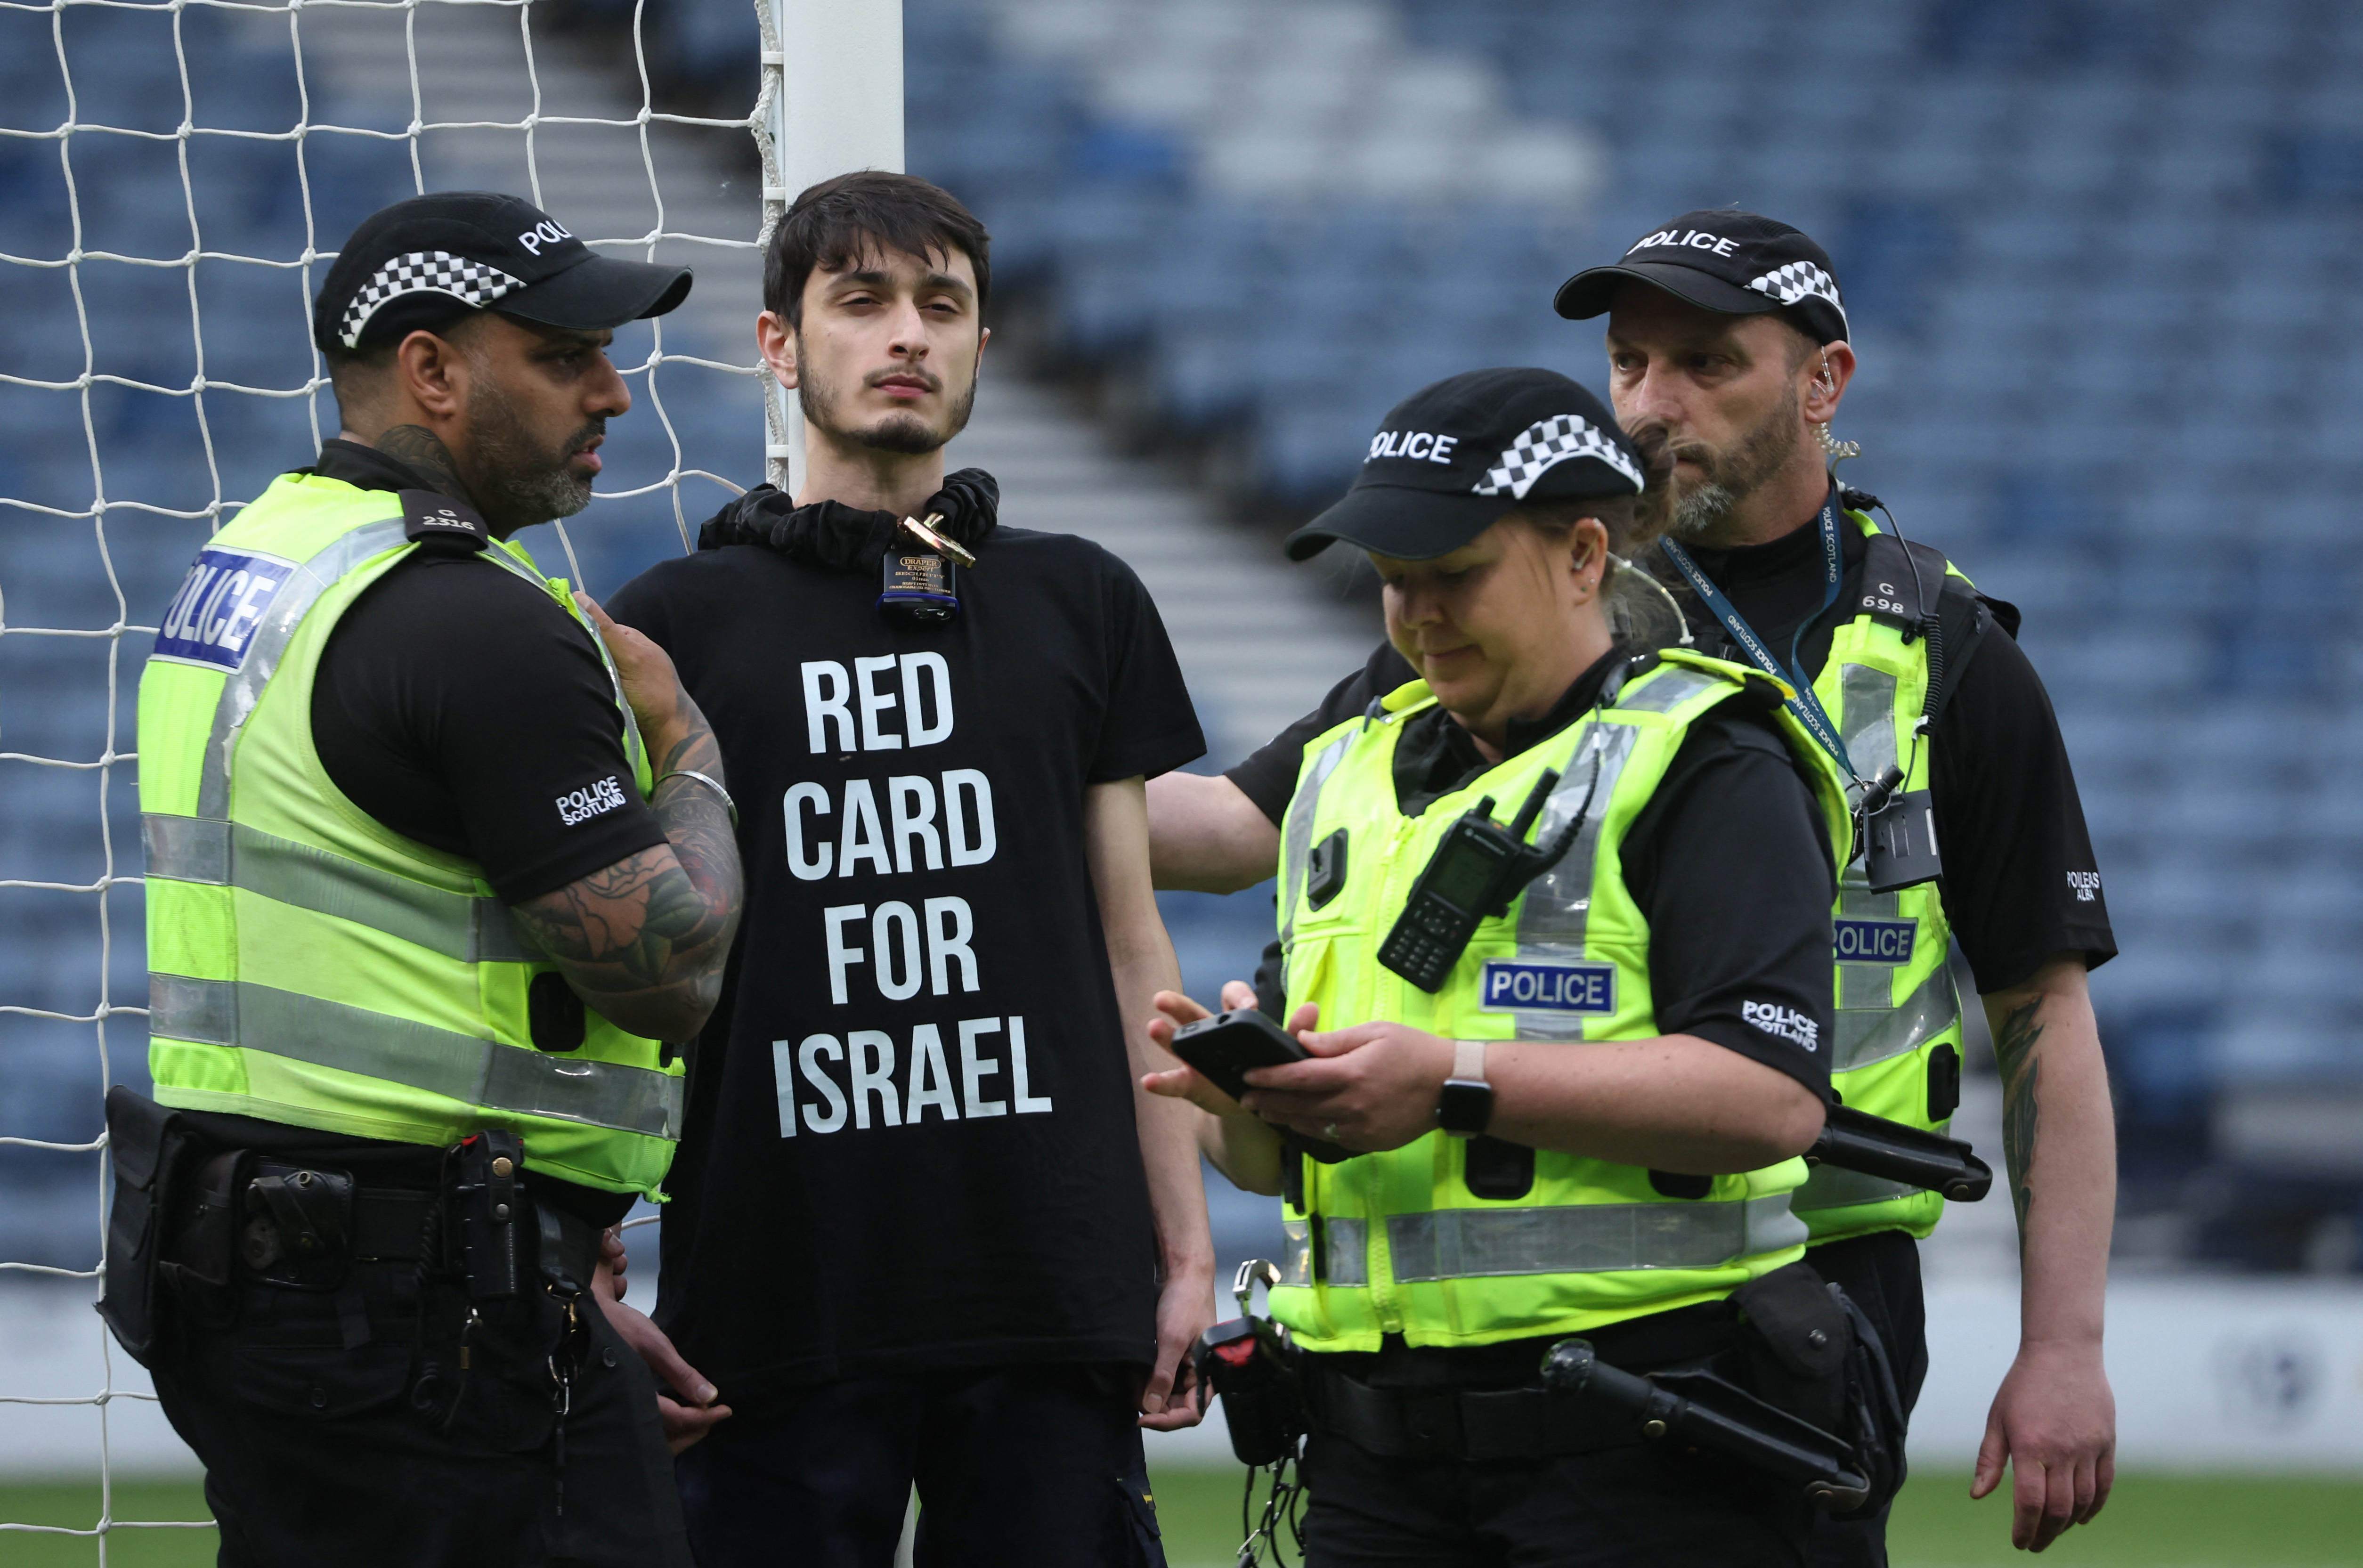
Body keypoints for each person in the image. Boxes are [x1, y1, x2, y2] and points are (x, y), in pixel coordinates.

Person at [1149, 211, 2119, 1560]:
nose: (1651, 406)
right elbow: (1230, 826)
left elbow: (2042, 1012)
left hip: (1814, 1269)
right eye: (1627, 364)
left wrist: (2062, 1342)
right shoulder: (1506, 606)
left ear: (1822, 383)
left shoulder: (1942, 649)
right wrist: (1020, 785)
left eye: (1704, 364)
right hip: (1536, 1275)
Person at [116, 190, 744, 1566]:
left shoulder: (250, 568)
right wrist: (682, 735)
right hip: (428, 1338)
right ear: (433, 370)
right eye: (566, 354)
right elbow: (674, 967)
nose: (612, 395)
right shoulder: (475, 619)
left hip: (275, 1292)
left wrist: (544, 1267)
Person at [1146, 366, 1862, 1565]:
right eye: (1391, 582)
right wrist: (1249, 1107)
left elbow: (1770, 1098)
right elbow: (1282, 1165)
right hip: (1376, 1466)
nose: (1418, 613)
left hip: (1650, 1451)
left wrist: (1450, 1079)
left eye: (1455, 574)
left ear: (1585, 556)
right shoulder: (1342, 774)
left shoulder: (1707, 762)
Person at [602, 171, 1213, 1567]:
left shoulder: (1084, 598)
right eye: (862, 300)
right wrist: (591, 1237)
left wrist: (1184, 1257)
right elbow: (626, 962)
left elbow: (1135, 950)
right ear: (777, 343)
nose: (907, 337)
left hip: (1051, 1298)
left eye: (943, 307)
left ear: (982, 348)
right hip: (771, 1307)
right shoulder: (672, 622)